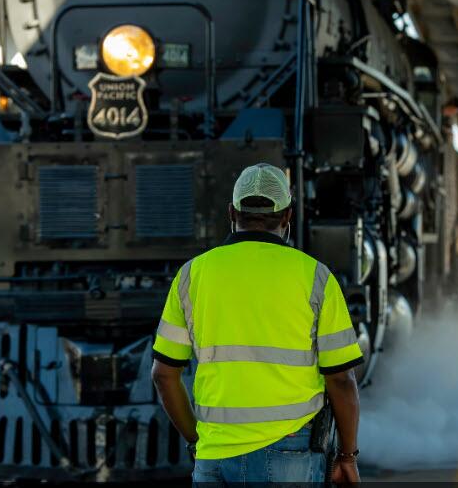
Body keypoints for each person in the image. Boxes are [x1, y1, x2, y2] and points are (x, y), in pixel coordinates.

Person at [151, 163, 364, 484]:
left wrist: (199, 441)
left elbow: (164, 376)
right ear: (287, 216)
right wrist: (347, 457)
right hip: (290, 452)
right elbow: (342, 381)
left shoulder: (191, 276)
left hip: (215, 455)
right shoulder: (316, 277)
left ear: (231, 212)